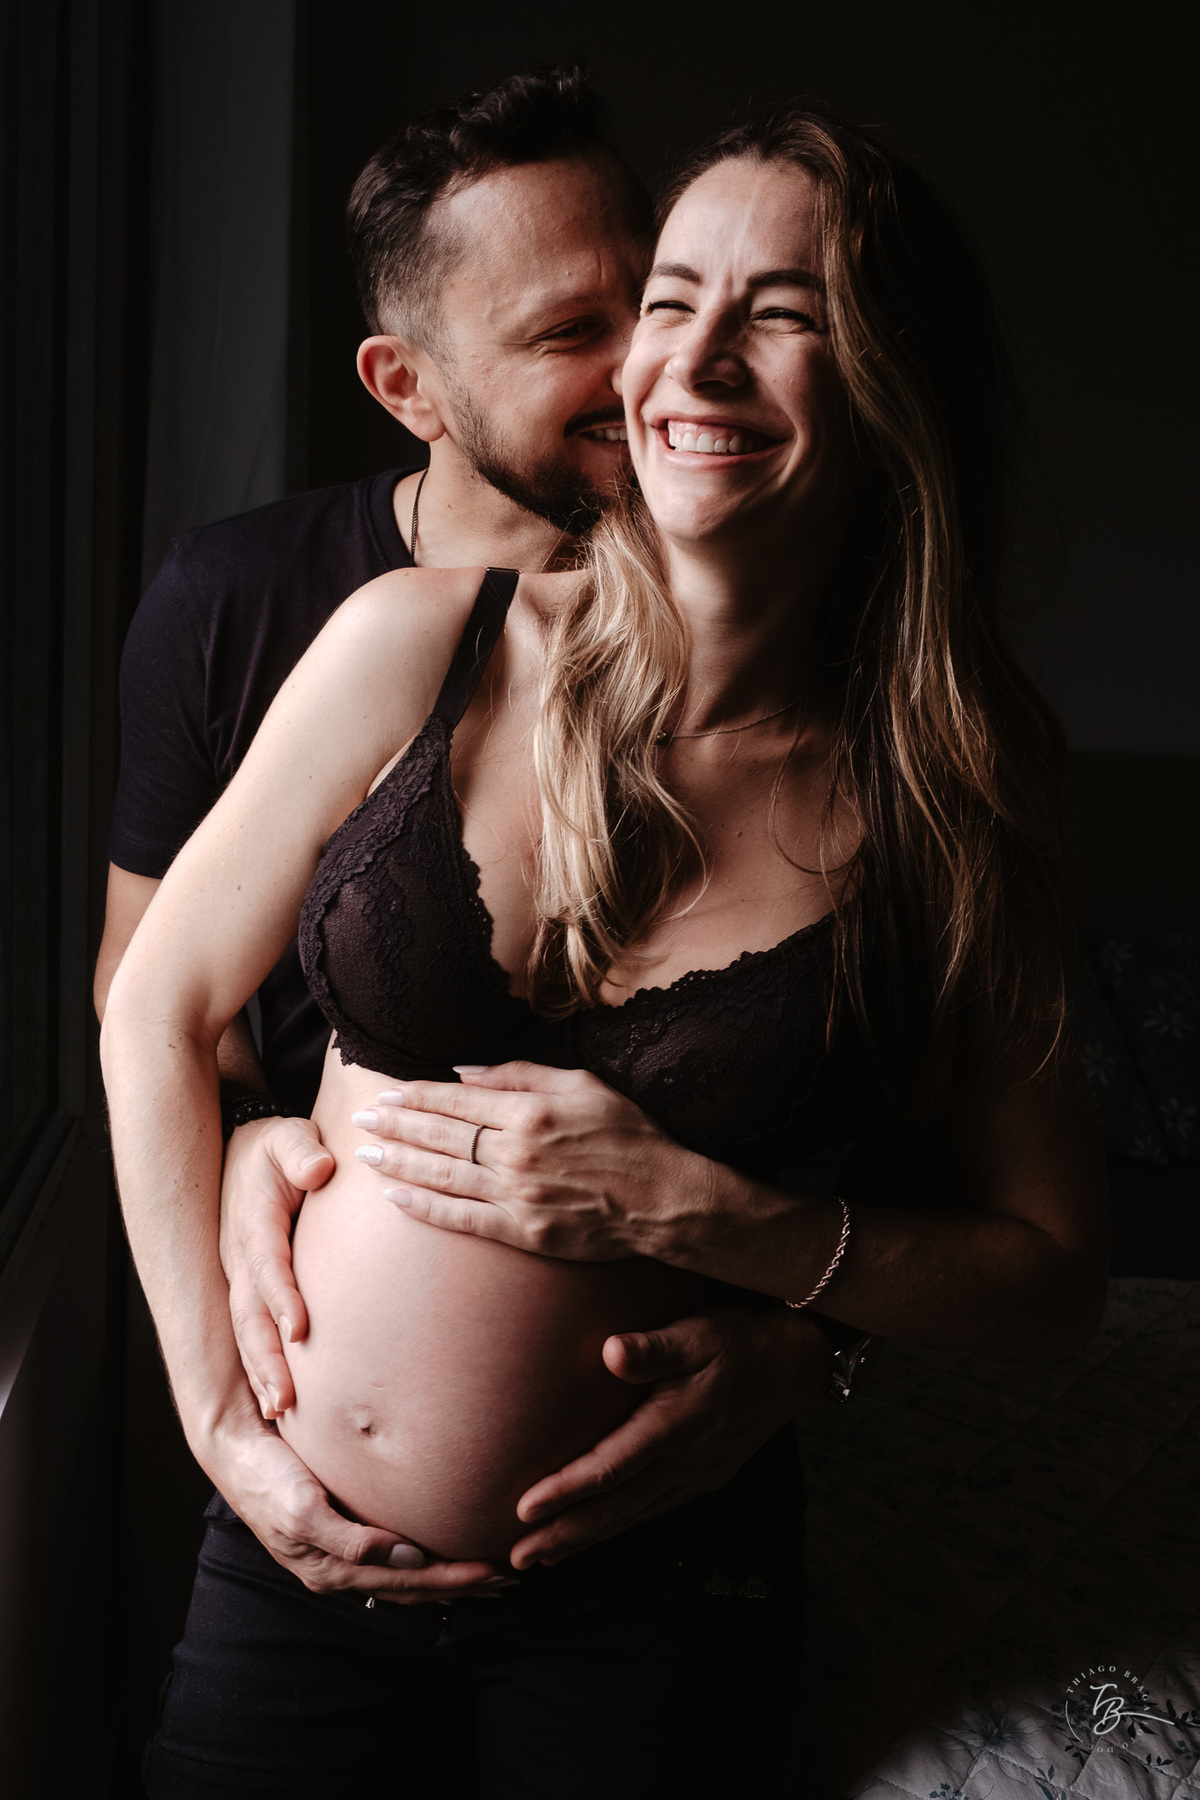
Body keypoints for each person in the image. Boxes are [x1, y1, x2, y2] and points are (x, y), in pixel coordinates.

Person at [100, 101, 1109, 1798]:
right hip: (296, 1568)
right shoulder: (420, 646)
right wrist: (221, 1426)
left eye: (781, 315)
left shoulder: (952, 802)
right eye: (671, 301)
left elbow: (1054, 1276)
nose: (695, 363)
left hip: (660, 1596)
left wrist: (736, 1232)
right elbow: (155, 1013)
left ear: (889, 381)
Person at [94, 67, 837, 1608]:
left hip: (645, 1497)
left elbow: (880, 1112)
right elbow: (148, 994)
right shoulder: (245, 606)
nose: (658, 363)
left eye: (658, 296)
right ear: (407, 390)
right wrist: (244, 1146)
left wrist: (809, 1335)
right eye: (574, 331)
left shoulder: (761, 620)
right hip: (302, 1405)